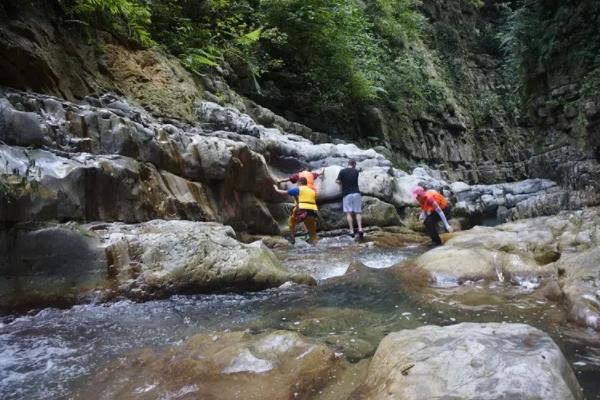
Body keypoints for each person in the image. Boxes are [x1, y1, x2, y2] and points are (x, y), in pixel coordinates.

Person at [273, 177, 318, 244]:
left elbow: (282, 192)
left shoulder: (298, 189)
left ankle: (292, 238)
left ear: (299, 183)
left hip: (303, 211)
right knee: (313, 234)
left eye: (297, 183)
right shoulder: (312, 191)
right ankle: (314, 244)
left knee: (291, 221)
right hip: (313, 212)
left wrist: (275, 188)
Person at [336, 159, 363, 238]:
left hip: (347, 194)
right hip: (356, 193)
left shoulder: (342, 171)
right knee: (358, 212)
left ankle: (351, 231)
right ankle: (360, 229)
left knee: (348, 213)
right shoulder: (356, 172)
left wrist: (342, 183)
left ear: (348, 163)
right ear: (354, 164)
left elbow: (337, 181)